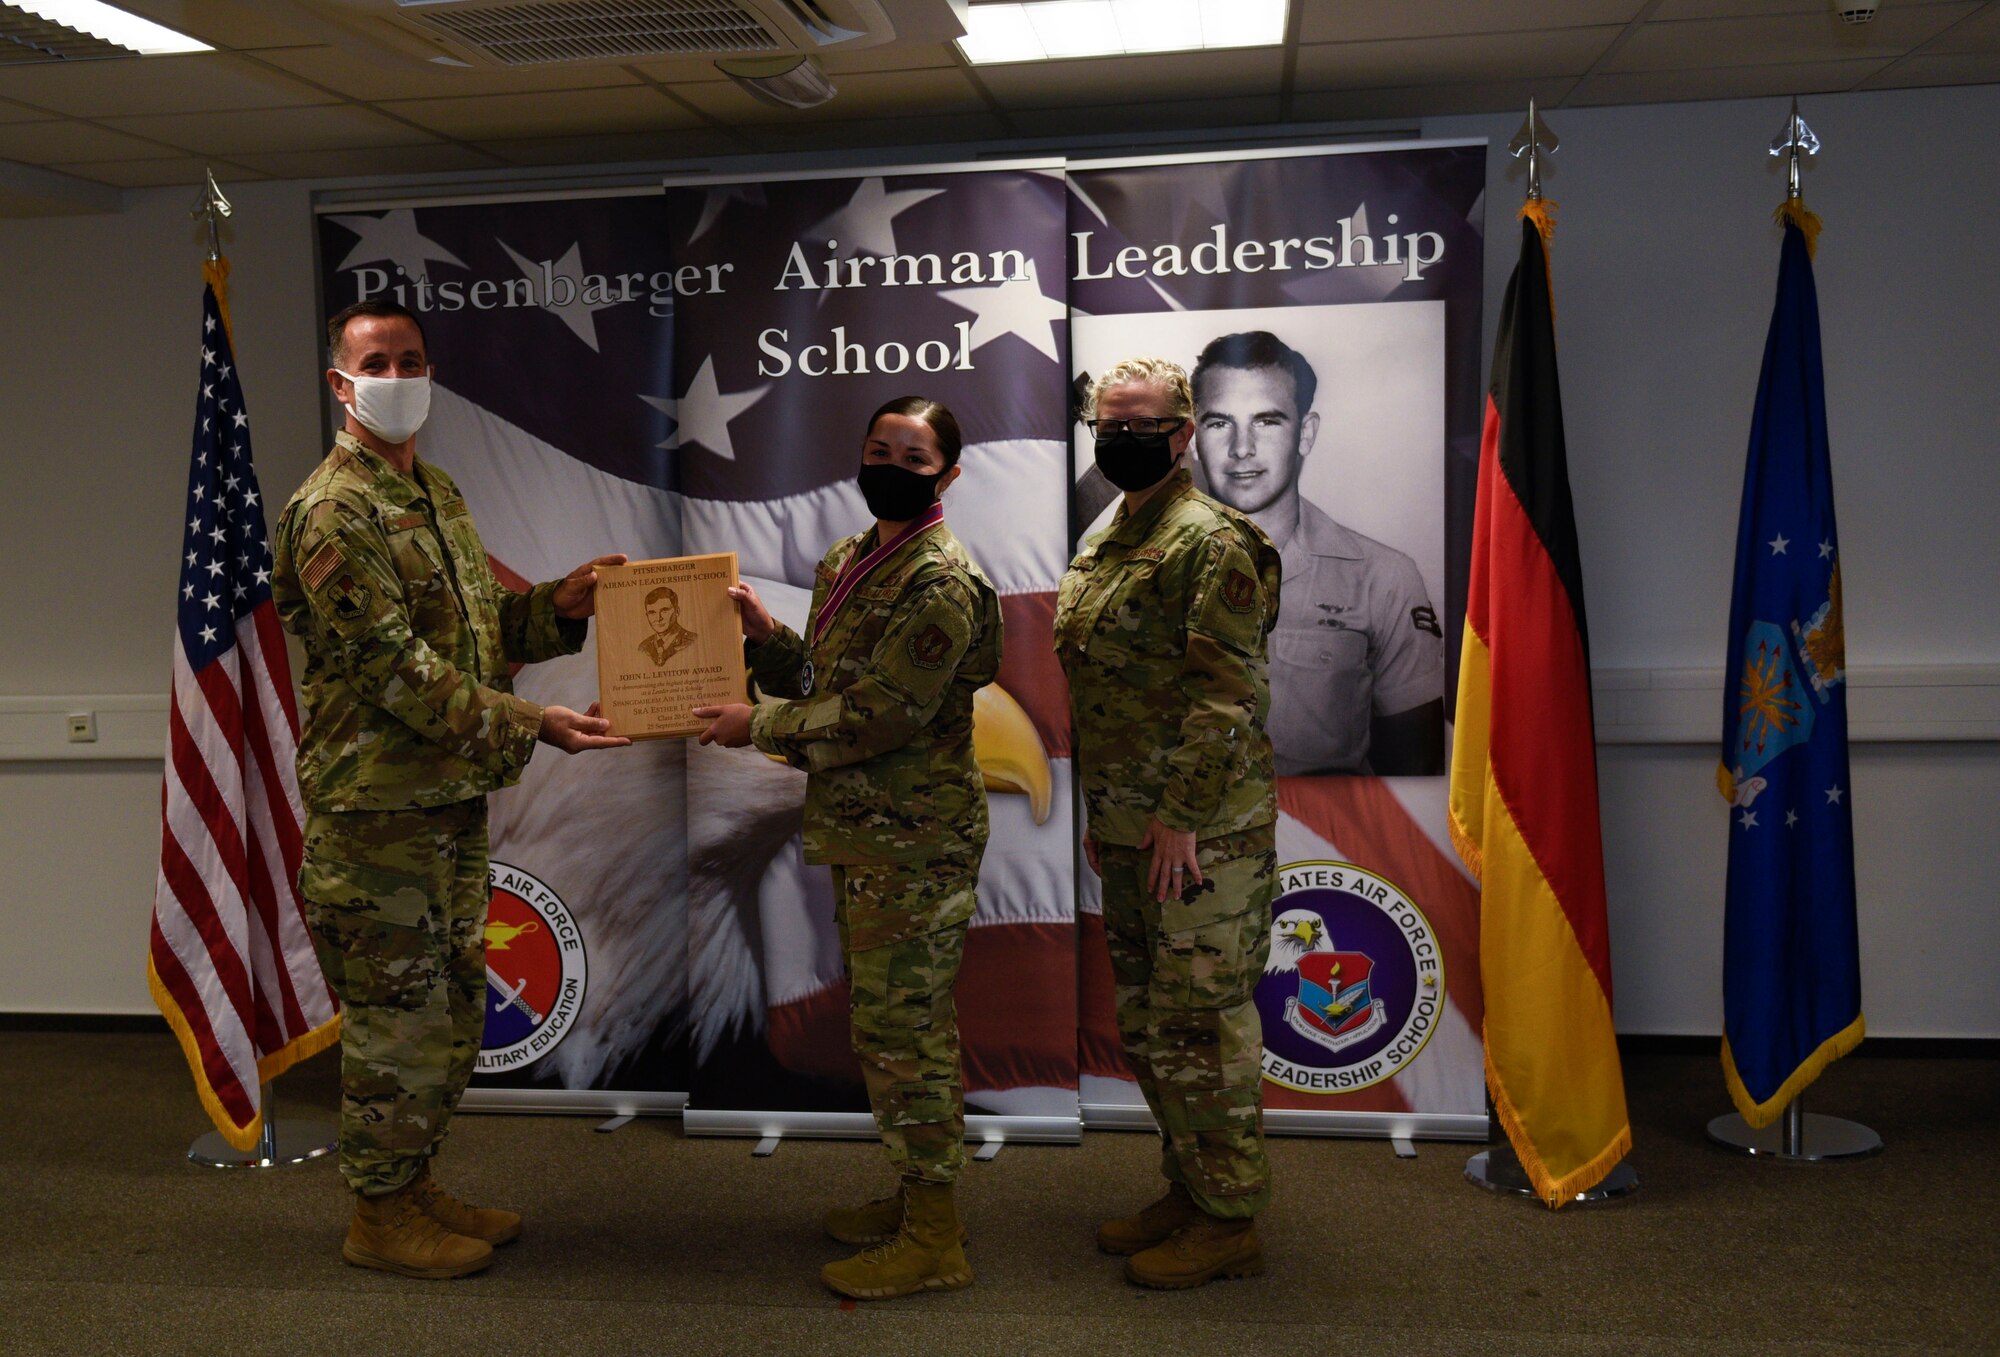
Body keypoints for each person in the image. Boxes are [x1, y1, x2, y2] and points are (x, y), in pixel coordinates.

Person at [273, 298, 630, 1280]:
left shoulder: (435, 491)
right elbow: (391, 669)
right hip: (378, 816)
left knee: (445, 1010)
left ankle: (412, 1180)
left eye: (413, 358)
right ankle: (378, 1217)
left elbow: (473, 639)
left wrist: (550, 608)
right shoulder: (333, 512)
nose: (399, 374)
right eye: (377, 360)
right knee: (398, 1017)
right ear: (341, 384)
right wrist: (535, 722)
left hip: (443, 804)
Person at [693, 395, 1001, 1302]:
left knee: (908, 1035)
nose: (891, 467)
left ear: (947, 473)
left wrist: (760, 723)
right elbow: (834, 681)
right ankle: (915, 1198)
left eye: (913, 456)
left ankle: (935, 1235)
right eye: (878, 449)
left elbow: (882, 714)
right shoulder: (850, 560)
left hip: (918, 839)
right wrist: (771, 641)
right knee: (885, 1028)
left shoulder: (942, 580)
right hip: (868, 833)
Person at [1055, 356, 1282, 1289]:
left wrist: (1180, 819)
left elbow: (1226, 698)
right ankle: (1190, 1187)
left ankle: (1229, 1217)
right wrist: (1115, 816)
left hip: (1199, 836)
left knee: (1200, 1022)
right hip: (1133, 827)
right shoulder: (1114, 534)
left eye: (1143, 422)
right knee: (1151, 1021)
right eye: (1109, 422)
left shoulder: (1211, 542)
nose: (1122, 436)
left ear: (1184, 432)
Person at [1191, 330, 1445, 776]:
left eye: (1267, 421)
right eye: (1219, 423)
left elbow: (1414, 771)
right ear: (1194, 437)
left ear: (1306, 434)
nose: (1241, 448)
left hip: (1325, 845)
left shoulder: (1383, 578)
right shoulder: (1148, 576)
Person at [638, 584, 697, 667]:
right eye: (652, 612)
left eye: (664, 610)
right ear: (647, 615)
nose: (658, 618)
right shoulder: (643, 647)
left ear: (677, 611)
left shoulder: (692, 641)